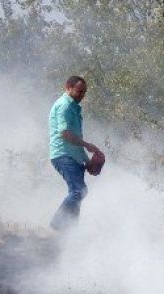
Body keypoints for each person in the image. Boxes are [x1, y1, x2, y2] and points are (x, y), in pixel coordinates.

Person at [48, 76, 101, 231]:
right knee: (79, 190)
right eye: (79, 91)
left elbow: (76, 138)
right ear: (68, 87)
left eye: (84, 93)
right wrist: (87, 145)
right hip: (63, 155)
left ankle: (70, 232)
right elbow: (65, 134)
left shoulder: (74, 108)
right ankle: (57, 224)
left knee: (78, 193)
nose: (82, 96)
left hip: (73, 156)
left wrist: (86, 160)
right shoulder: (64, 105)